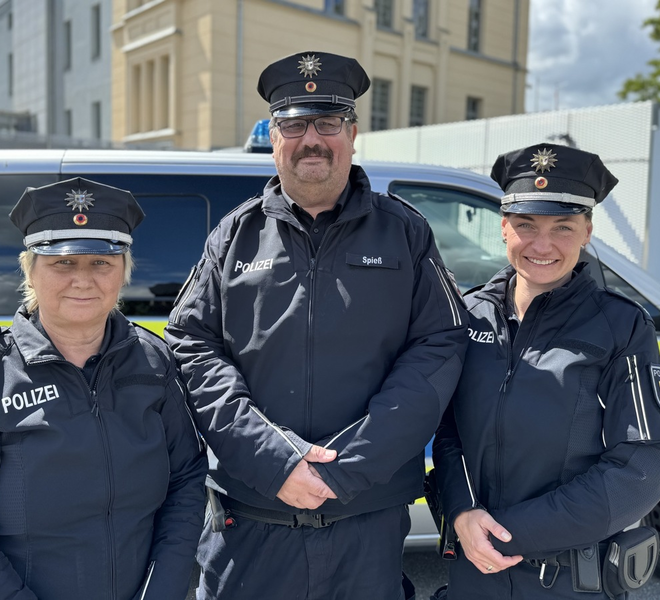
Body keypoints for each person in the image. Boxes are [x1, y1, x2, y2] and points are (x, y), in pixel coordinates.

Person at [164, 50, 468, 600]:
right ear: (274, 138)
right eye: (294, 124)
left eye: (327, 123)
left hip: (367, 522)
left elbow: (439, 345)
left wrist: (350, 466)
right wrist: (274, 459)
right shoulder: (233, 238)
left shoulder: (405, 232)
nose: (312, 139)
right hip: (251, 518)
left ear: (353, 134)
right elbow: (191, 344)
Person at [0, 178, 207, 600]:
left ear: (124, 272)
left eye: (102, 262)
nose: (83, 279)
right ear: (30, 270)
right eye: (63, 263)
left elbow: (186, 482)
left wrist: (163, 587)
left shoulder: (155, 363)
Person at [431, 144, 660, 599]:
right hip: (474, 571)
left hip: (566, 580)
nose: (542, 245)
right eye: (526, 225)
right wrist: (462, 511)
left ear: (587, 231)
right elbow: (449, 434)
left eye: (562, 227)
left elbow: (639, 471)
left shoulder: (621, 325)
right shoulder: (469, 317)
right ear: (504, 228)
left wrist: (505, 532)